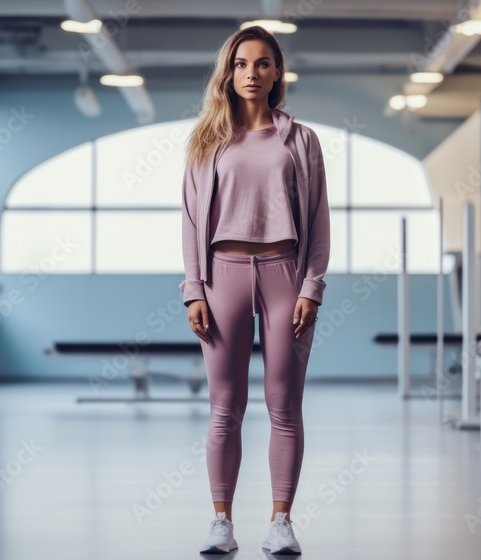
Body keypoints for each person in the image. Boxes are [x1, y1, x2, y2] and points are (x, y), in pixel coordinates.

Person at [179, 24, 331, 555]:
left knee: (284, 405)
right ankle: (221, 521)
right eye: (242, 63)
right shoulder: (206, 140)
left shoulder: (302, 140)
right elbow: (192, 220)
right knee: (226, 406)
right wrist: (193, 288)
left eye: (262, 63)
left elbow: (318, 219)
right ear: (228, 71)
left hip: (285, 273)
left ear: (276, 73)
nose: (251, 73)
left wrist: (312, 285)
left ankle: (281, 522)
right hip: (223, 274)